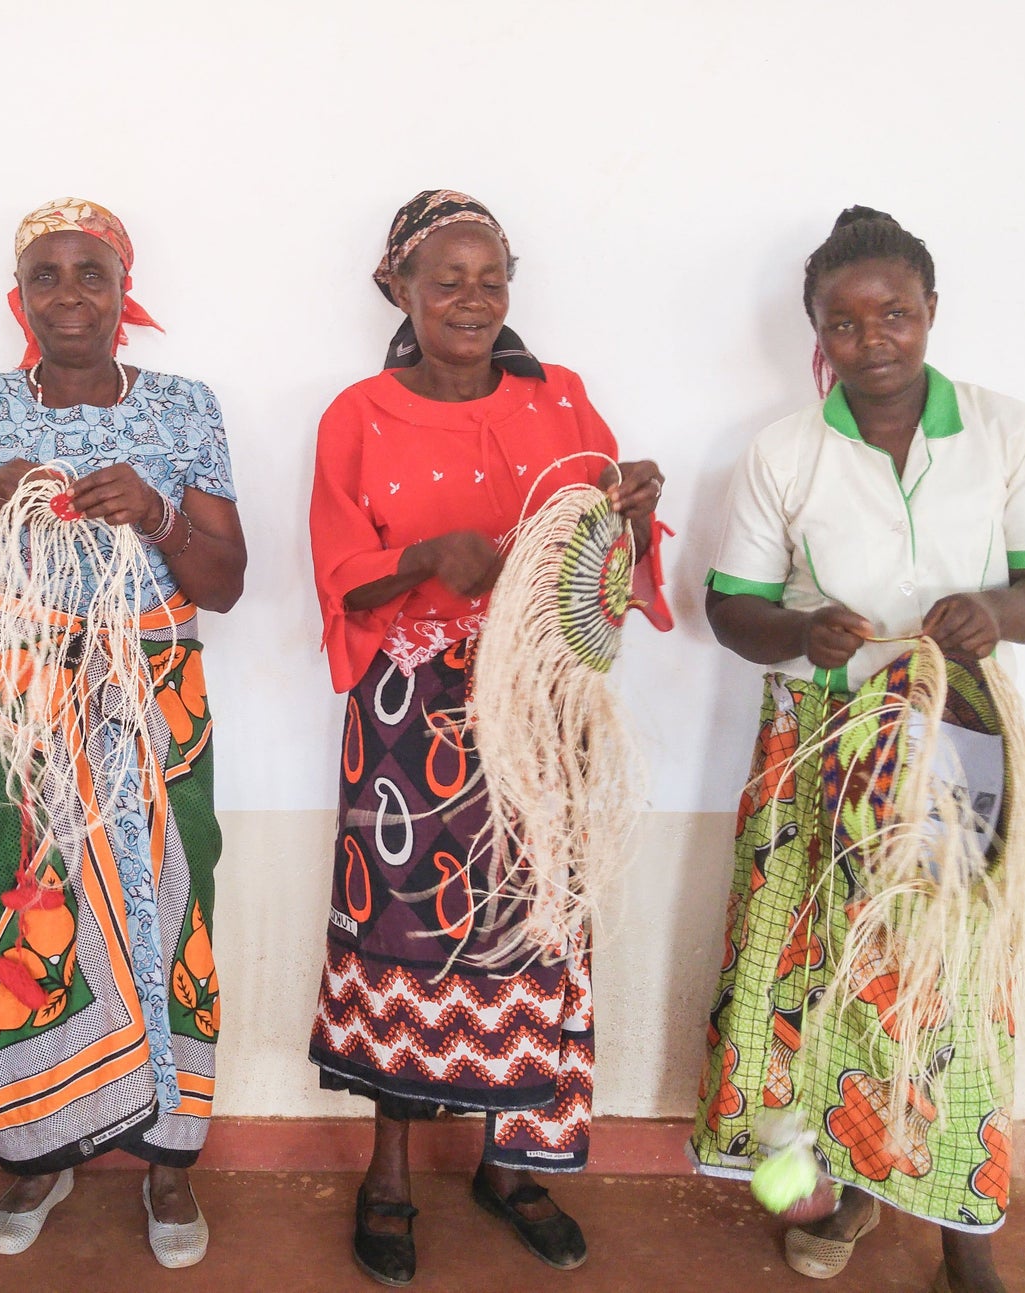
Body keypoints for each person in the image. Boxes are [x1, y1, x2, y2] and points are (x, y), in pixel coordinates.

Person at [687, 207, 1025, 1293]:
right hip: (818, 744)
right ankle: (843, 1190)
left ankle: (964, 1231)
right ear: (815, 328)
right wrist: (797, 634)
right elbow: (732, 613)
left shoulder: (1009, 435)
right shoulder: (781, 453)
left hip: (954, 740)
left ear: (929, 314)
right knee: (816, 975)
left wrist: (997, 612)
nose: (874, 340)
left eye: (895, 316)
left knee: (946, 977)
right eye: (846, 320)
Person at [306, 190, 670, 1286]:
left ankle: (511, 1166)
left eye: (489, 278)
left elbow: (602, 559)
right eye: (445, 279)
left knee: (536, 930)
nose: (470, 298)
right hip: (410, 718)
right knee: (403, 936)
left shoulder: (560, 400)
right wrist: (424, 561)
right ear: (397, 290)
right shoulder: (356, 414)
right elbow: (333, 573)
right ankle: (387, 1175)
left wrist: (634, 512)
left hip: (545, 709)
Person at [0, 198, 246, 1269]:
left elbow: (225, 583)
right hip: (10, 699)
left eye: (89, 273)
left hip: (151, 691)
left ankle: (170, 1165)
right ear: (19, 298)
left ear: (121, 291)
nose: (67, 295)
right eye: (44, 276)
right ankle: (36, 1154)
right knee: (18, 911)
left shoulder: (185, 409)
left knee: (173, 906)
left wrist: (154, 513)